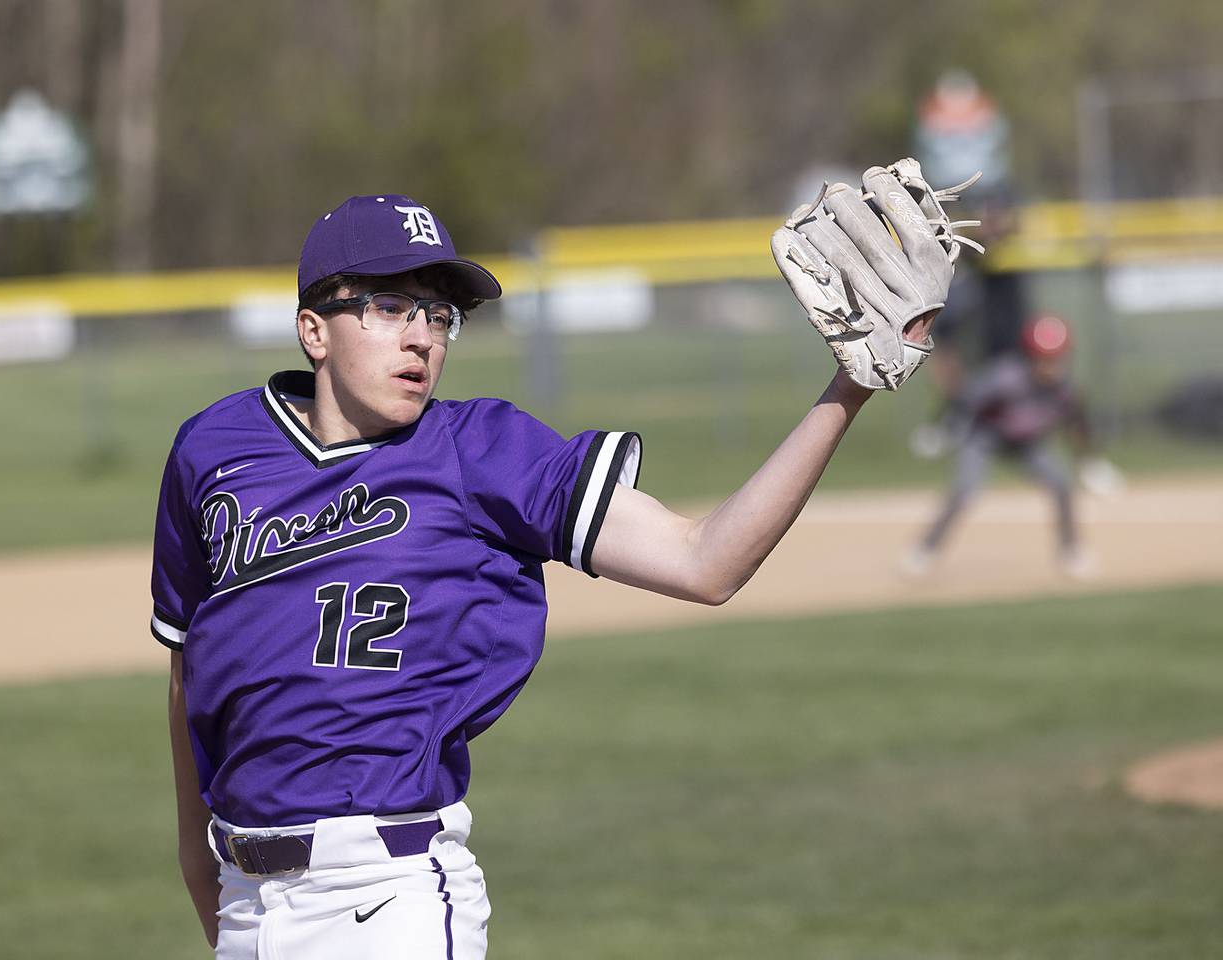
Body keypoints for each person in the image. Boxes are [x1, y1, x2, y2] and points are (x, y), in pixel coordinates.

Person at [151, 192, 919, 958]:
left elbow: (705, 562)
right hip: (248, 901)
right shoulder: (213, 450)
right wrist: (203, 873)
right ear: (313, 329)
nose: (421, 337)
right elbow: (191, 673)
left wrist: (848, 387)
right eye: (391, 307)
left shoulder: (482, 451)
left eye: (440, 315)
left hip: (388, 900)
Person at [903, 313, 1121, 578]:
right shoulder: (1005, 378)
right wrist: (943, 430)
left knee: (1062, 483)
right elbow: (966, 400)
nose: (1051, 366)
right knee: (965, 490)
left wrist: (1089, 462)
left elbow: (1076, 425)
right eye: (1044, 359)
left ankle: (1071, 552)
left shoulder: (1065, 389)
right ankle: (925, 551)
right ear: (1029, 356)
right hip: (985, 437)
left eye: (1057, 359)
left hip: (1026, 444)